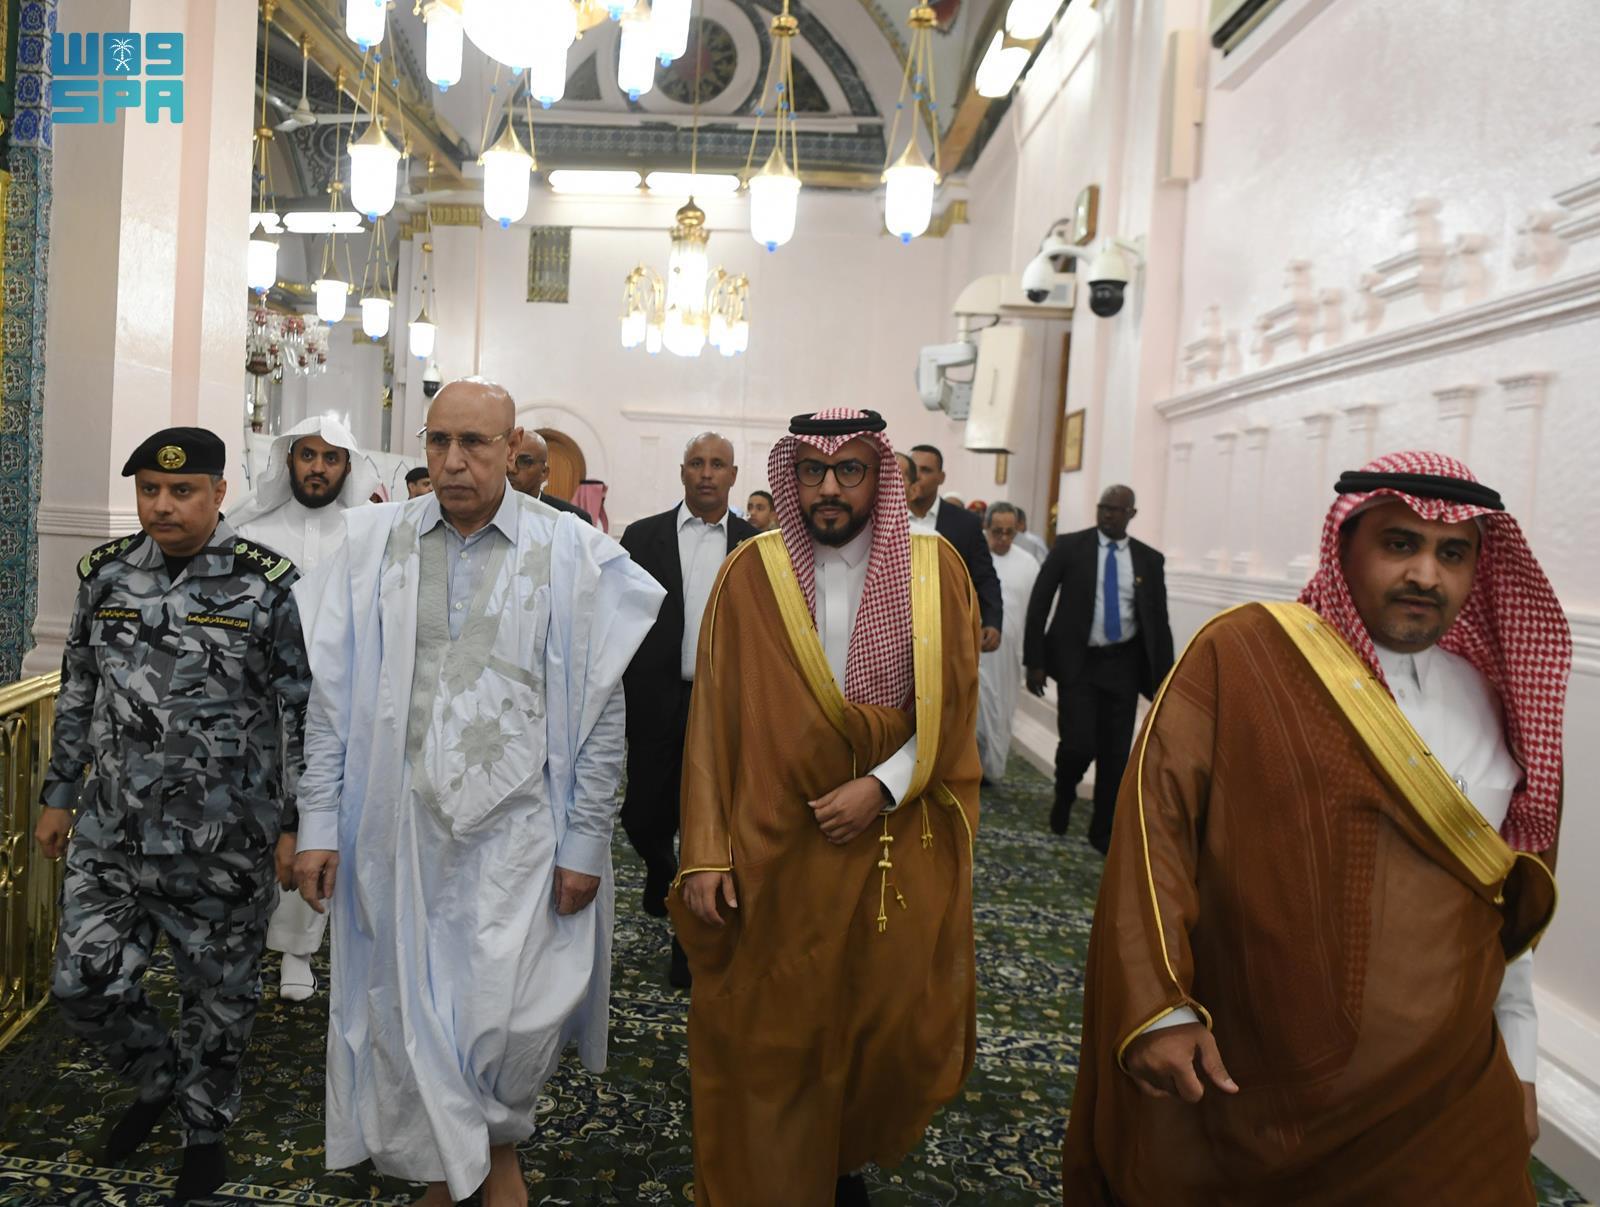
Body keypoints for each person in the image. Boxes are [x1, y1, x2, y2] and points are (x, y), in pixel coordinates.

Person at [1062, 451, 1570, 1205]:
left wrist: (1521, 1065)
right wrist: (1160, 1007)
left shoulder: (1495, 703)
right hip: (1264, 1083)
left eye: (1453, 553)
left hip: (1448, 1092)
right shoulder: (1245, 658)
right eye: (1401, 543)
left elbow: (1504, 917)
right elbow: (1154, 838)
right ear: (1345, 544)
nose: (1426, 574)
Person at [291, 379, 664, 1206]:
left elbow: (602, 720)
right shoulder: (373, 542)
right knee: (409, 1011)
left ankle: (484, 1145)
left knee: (512, 1015)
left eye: (475, 443)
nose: (454, 461)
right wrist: (317, 821)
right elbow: (331, 700)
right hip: (396, 829)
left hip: (521, 836)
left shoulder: (574, 554)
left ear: (513, 447)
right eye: (439, 441)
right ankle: (464, 1167)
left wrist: (586, 841)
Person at [672, 408, 981, 1207]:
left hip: (891, 836)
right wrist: (704, 850)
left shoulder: (934, 569)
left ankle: (839, 1159)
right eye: (813, 472)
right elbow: (713, 717)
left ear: (879, 476)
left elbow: (951, 707)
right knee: (772, 1026)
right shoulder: (752, 572)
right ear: (792, 477)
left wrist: (879, 786)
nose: (829, 489)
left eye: (849, 470)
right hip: (773, 837)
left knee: (884, 1026)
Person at [35, 427, 310, 1204]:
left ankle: (204, 1130)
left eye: (182, 490)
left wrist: (299, 824)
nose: (163, 504)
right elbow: (79, 686)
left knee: (219, 1000)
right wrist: (58, 793)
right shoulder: (107, 574)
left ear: (219, 492)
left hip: (224, 837)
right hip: (112, 829)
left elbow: (301, 713)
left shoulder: (266, 584)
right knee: (81, 984)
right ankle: (158, 1077)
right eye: (149, 489)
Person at [230, 417, 379, 1003]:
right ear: (288, 460)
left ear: (348, 467)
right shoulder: (250, 530)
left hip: (340, 700)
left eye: (331, 458)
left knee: (317, 816)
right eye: (308, 455)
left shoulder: (368, 534)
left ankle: (298, 949)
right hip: (255, 703)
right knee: (251, 817)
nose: (318, 467)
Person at [619, 434, 759, 989]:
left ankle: (688, 942)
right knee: (642, 816)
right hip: (655, 699)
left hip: (721, 706)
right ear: (682, 472)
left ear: (733, 475)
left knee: (707, 824)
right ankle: (663, 871)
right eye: (697, 463)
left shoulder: (755, 546)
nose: (706, 473)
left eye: (717, 465)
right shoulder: (642, 537)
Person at [1023, 484, 1172, 853]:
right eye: (1103, 507)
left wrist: (1166, 681)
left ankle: (1102, 829)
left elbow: (1158, 622)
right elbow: (1040, 603)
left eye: (1116, 509)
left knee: (1116, 754)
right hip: (1079, 663)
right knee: (1078, 745)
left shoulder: (1148, 560)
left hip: (1123, 666)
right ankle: (1065, 792)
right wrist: (1035, 661)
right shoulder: (1070, 547)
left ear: (1131, 514)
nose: (1107, 514)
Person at [906, 444, 1002, 652]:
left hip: (947, 630)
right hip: (899, 627)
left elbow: (984, 576)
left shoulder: (965, 523)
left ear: (941, 478)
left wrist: (992, 621)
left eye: (926, 470)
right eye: (914, 469)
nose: (918, 476)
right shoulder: (890, 517)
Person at [976, 504, 1039, 783]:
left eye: (1009, 533)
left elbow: (1037, 613)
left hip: (1010, 656)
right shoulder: (974, 557)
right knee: (975, 714)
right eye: (997, 532)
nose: (1003, 538)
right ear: (986, 528)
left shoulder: (1029, 564)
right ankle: (971, 768)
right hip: (975, 652)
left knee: (1001, 711)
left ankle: (992, 768)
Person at [507, 429, 594, 524]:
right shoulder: (494, 510)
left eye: (524, 462)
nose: (511, 469)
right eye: (507, 460)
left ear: (544, 473)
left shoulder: (575, 520)